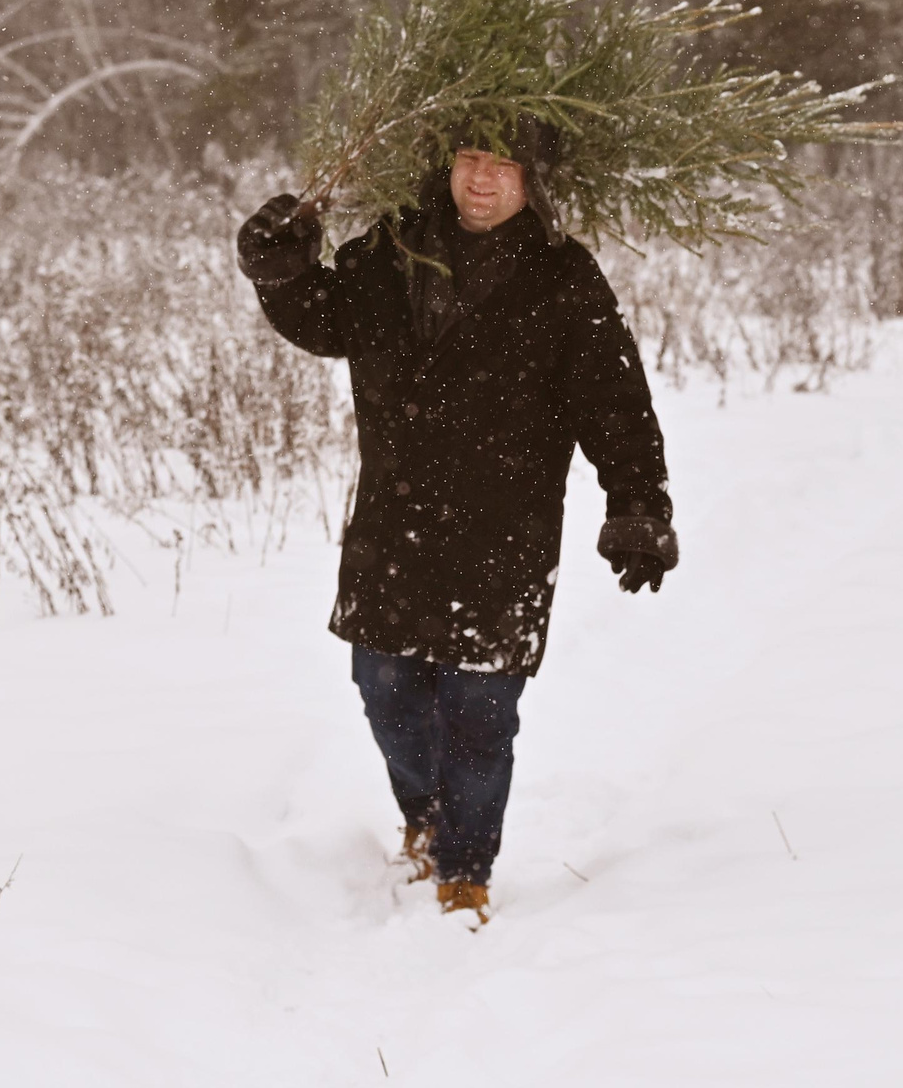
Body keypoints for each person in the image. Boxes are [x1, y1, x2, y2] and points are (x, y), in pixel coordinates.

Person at [235, 125, 678, 924]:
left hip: (504, 534)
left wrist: (639, 504)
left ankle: (466, 868)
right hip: (394, 520)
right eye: (470, 159)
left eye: (503, 165)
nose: (482, 179)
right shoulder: (391, 249)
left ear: (529, 179)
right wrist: (278, 271)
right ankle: (426, 816)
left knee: (479, 711)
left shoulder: (562, 275)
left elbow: (613, 403)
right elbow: (326, 319)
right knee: (386, 689)